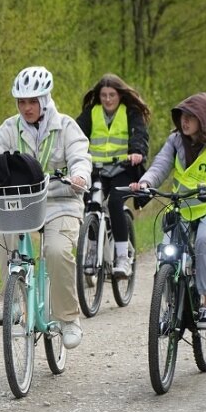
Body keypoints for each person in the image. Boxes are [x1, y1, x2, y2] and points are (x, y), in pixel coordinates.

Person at [0, 66, 91, 349]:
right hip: (22, 203)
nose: (26, 108)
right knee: (4, 234)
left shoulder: (66, 126)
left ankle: (68, 318)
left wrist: (79, 176)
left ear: (44, 101)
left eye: (32, 101)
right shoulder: (10, 127)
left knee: (56, 251)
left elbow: (81, 156)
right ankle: (15, 300)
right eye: (22, 102)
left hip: (61, 201)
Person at [130, 93, 206, 328]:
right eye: (181, 117)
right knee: (167, 252)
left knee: (204, 240)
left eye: (191, 117)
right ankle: (169, 306)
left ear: (204, 119)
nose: (184, 122)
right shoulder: (175, 140)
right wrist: (146, 183)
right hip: (182, 206)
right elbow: (160, 166)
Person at [75, 73, 151, 278]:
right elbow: (76, 134)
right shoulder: (92, 112)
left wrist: (137, 152)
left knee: (115, 203)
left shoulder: (131, 113)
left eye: (112, 95)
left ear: (120, 95)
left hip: (122, 170)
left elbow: (139, 135)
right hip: (97, 170)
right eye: (104, 95)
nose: (108, 99)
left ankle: (122, 257)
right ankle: (91, 251)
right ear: (98, 96)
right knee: (90, 204)